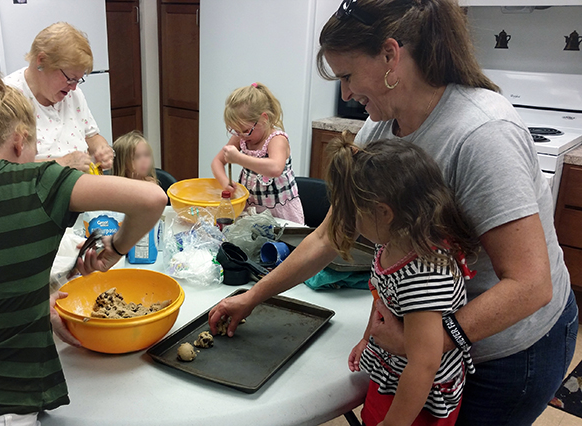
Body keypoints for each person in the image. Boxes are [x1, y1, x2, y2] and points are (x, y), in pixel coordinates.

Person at [209, 1, 577, 424]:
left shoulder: (481, 135)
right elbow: (331, 234)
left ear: (390, 55)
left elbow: (531, 286)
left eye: (347, 75)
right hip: (428, 344)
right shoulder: (380, 126)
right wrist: (253, 297)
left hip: (509, 350)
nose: (345, 94)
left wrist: (431, 341)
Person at [0, 66, 166, 425]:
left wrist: (30, 304)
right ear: (20, 140)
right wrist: (114, 250)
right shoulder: (37, 181)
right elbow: (152, 198)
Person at [329, 136, 478, 425]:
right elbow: (381, 298)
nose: (353, 223)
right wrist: (367, 338)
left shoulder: (423, 276)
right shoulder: (388, 244)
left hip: (418, 401)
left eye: (355, 214)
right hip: (392, 374)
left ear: (383, 213)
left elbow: (424, 363)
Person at [4, 22, 114, 173]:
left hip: (84, 187)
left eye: (78, 80)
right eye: (70, 78)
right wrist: (62, 163)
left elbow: (92, 136)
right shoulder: (6, 98)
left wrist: (102, 148)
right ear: (41, 60)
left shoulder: (72, 94)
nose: (74, 87)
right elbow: (3, 170)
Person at [211, 82, 305, 224]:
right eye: (236, 131)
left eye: (246, 130)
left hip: (279, 214)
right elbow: (217, 162)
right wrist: (225, 183)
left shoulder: (277, 139)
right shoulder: (241, 137)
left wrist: (239, 158)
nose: (241, 135)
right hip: (251, 210)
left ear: (263, 118)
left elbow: (275, 168)